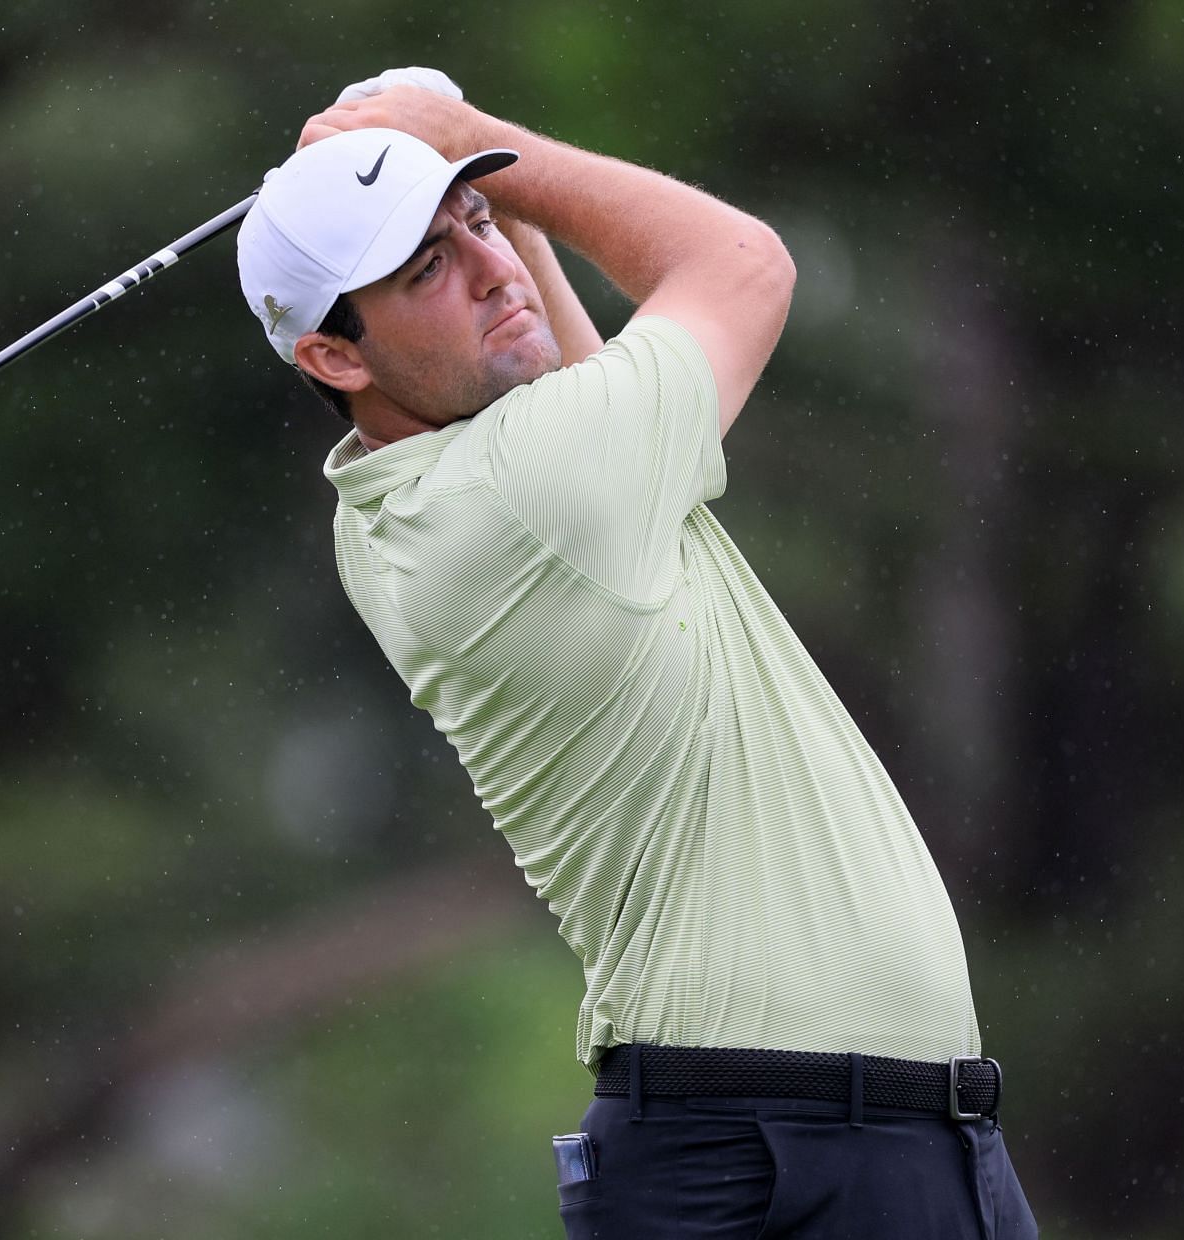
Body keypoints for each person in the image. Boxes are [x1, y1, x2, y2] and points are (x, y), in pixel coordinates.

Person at [236, 70, 1038, 1239]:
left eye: (477, 222)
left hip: (831, 1143)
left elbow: (553, 377)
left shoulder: (407, 501)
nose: (493, 267)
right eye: (428, 270)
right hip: (771, 1154)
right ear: (334, 360)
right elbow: (746, 265)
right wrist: (479, 138)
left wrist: (466, 176)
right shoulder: (532, 490)